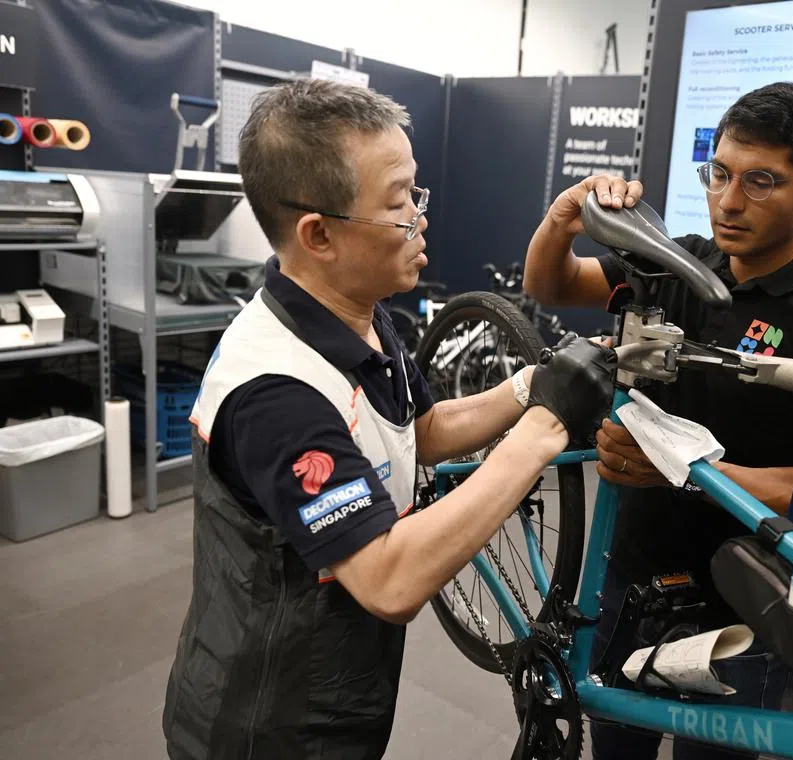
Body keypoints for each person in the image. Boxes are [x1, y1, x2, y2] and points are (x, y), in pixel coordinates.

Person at [161, 79, 617, 760]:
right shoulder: (277, 394)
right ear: (319, 234)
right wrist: (540, 431)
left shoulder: (356, 311)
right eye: (399, 201)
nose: (420, 218)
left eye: (416, 192)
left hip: (341, 688)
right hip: (267, 724)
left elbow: (421, 432)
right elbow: (389, 578)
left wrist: (531, 387)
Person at [523, 82, 793, 759]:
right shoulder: (676, 261)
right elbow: (550, 285)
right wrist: (562, 217)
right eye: (719, 173)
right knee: (616, 742)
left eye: (761, 182)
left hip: (741, 602)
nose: (728, 201)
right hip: (629, 572)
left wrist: (681, 470)